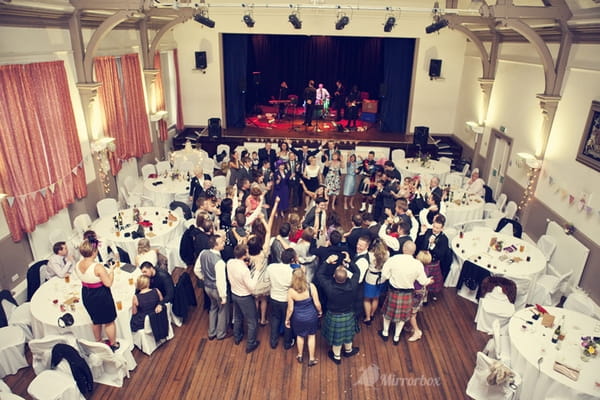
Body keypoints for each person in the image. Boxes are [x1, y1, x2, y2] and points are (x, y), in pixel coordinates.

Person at [379, 241, 433, 345]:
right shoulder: (418, 264)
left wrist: (388, 278)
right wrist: (429, 281)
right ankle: (396, 337)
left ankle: (385, 333)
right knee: (403, 317)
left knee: (387, 314)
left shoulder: (393, 259)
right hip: (407, 293)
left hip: (394, 291)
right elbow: (423, 282)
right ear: (414, 252)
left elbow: (384, 275)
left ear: (403, 248)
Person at [74, 238, 119, 351]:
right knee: (109, 321)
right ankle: (113, 344)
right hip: (101, 295)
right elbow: (108, 283)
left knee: (95, 320)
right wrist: (112, 271)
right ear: (94, 252)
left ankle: (99, 341)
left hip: (86, 293)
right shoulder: (97, 267)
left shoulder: (78, 264)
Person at [317, 254, 361, 365]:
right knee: (348, 335)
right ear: (346, 277)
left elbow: (319, 274)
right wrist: (349, 261)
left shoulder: (329, 286)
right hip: (348, 314)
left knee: (337, 338)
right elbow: (357, 272)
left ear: (333, 276)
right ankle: (348, 351)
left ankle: (337, 357)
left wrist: (327, 261)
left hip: (334, 315)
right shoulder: (352, 284)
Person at [227, 243, 262, 353]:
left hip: (234, 294)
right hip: (245, 297)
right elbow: (252, 287)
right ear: (244, 255)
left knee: (237, 317)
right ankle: (251, 344)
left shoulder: (230, 262)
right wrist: (257, 271)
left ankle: (237, 337)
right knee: (252, 321)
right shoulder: (244, 270)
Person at [285, 268, 322, 366]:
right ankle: (311, 359)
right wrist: (320, 311)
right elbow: (317, 303)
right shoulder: (311, 287)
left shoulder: (291, 291)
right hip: (311, 316)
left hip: (298, 317)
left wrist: (287, 319)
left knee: (300, 336)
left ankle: (300, 355)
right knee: (311, 336)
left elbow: (290, 309)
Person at [199, 234, 229, 340]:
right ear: (215, 246)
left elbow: (196, 269)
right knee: (222, 310)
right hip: (217, 289)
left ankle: (211, 332)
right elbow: (221, 281)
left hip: (207, 287)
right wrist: (223, 296)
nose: (224, 243)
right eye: (221, 243)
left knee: (213, 308)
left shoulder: (203, 253)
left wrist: (204, 278)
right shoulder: (219, 262)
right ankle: (220, 334)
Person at [265, 248, 296, 350]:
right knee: (287, 321)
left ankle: (273, 341)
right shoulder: (293, 272)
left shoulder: (271, 267)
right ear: (292, 260)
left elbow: (266, 279)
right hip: (287, 300)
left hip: (273, 298)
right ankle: (287, 343)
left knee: (275, 319)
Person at [416, 214, 452, 281]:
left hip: (432, 263)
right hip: (422, 259)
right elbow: (418, 245)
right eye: (434, 226)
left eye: (437, 228)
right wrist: (422, 233)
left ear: (442, 228)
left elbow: (440, 255)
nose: (434, 229)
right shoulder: (428, 231)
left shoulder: (444, 239)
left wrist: (432, 245)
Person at [362, 238, 388, 325]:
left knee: (367, 299)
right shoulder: (387, 254)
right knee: (376, 298)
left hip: (371, 278)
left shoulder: (369, 255)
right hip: (381, 279)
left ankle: (368, 317)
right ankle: (372, 314)